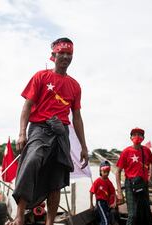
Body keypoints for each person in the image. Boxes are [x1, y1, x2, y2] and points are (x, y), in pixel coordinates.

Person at [9, 37, 89, 225]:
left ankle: (50, 221)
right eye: (62, 53)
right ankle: (20, 215)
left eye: (69, 54)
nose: (65, 57)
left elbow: (76, 117)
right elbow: (27, 106)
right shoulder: (41, 76)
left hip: (62, 133)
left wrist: (84, 146)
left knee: (57, 179)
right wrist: (22, 133)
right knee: (32, 161)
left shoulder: (75, 85)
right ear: (54, 54)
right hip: (40, 128)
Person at [116, 127, 152, 225]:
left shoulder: (146, 150)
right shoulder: (126, 152)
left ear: (143, 138)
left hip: (143, 184)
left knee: (144, 213)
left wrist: (150, 177)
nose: (137, 136)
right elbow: (118, 171)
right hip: (130, 185)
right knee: (132, 215)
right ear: (131, 137)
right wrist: (119, 191)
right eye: (134, 134)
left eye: (140, 134)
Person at [90, 161, 116, 225]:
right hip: (100, 202)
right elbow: (91, 192)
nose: (106, 174)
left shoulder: (109, 182)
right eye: (104, 172)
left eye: (108, 172)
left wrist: (114, 203)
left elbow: (113, 192)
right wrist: (91, 204)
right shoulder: (97, 181)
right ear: (100, 172)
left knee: (107, 220)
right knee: (106, 221)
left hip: (106, 203)